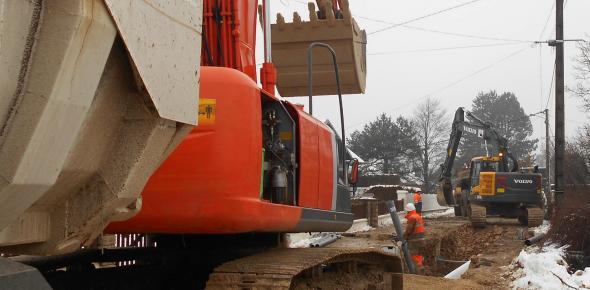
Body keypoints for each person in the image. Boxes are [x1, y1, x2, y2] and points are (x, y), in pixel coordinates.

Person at [404, 203, 426, 274]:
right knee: (419, 257)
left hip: (415, 241)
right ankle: (421, 270)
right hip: (421, 240)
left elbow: (408, 230)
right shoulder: (418, 216)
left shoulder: (412, 218)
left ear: (408, 211)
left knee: (415, 258)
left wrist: (404, 237)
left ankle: (417, 275)